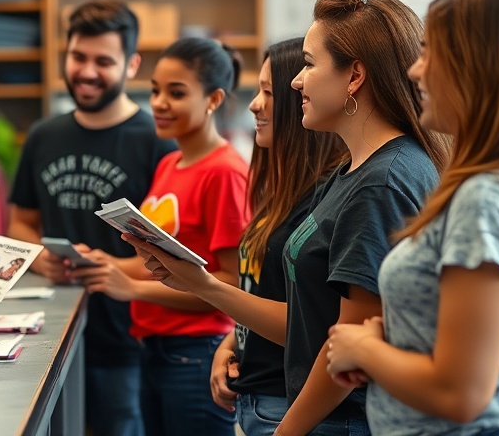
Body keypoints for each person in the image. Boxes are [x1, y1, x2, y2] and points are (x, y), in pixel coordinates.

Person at [120, 38, 345, 436]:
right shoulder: (279, 191)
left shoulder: (324, 195)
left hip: (282, 401)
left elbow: (310, 322)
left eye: (268, 92)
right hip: (249, 389)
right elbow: (257, 289)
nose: (255, 104)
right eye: (154, 90)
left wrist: (142, 287)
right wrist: (232, 344)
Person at [326, 0, 499, 435]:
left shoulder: (482, 198)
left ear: (477, 66)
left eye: (431, 54)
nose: (415, 71)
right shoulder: (474, 186)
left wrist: (365, 350)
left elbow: (461, 393)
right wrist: (382, 341)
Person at [8, 0, 175, 436]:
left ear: (131, 65)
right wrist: (39, 254)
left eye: (104, 61)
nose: (86, 71)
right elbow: (21, 221)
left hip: (126, 340)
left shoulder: (158, 144)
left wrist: (117, 269)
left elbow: (175, 255)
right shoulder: (43, 136)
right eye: (78, 57)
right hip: (48, 333)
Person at [72, 37, 250, 436]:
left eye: (176, 92)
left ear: (213, 99)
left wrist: (132, 289)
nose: (159, 102)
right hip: (154, 348)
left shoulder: (224, 172)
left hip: (197, 352)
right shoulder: (171, 162)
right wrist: (109, 265)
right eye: (154, 90)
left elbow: (231, 283)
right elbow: (162, 262)